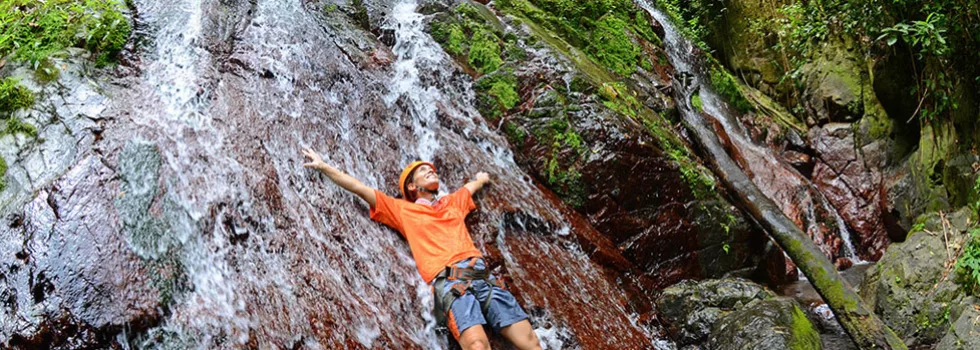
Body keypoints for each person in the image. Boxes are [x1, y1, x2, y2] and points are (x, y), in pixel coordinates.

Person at [302, 148, 542, 350]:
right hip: (448, 280)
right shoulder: (402, 210)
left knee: (530, 341)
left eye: (432, 169)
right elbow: (359, 188)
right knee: (477, 345)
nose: (431, 170)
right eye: (423, 171)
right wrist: (324, 166)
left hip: (481, 274)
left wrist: (482, 178)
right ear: (412, 186)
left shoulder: (452, 202)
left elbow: (473, 186)